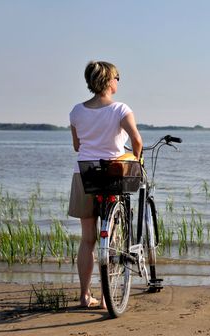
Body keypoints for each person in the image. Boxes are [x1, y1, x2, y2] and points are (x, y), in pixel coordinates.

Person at [68, 61, 142, 308]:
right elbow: (137, 140)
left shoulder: (77, 111)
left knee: (87, 238)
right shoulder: (121, 109)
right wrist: (137, 160)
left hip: (85, 175)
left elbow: (78, 146)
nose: (118, 81)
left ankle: (84, 295)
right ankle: (107, 299)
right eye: (117, 77)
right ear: (109, 81)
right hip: (112, 176)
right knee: (112, 238)